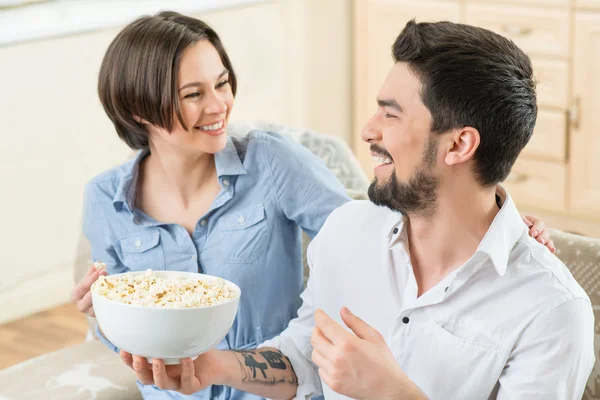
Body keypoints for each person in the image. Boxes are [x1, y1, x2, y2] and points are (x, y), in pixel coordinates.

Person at [71, 12, 555, 399]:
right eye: (194, 94)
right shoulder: (105, 197)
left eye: (222, 83)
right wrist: (109, 315)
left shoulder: (276, 166)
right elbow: (361, 247)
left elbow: (390, 221)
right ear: (138, 110)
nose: (219, 104)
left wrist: (499, 224)